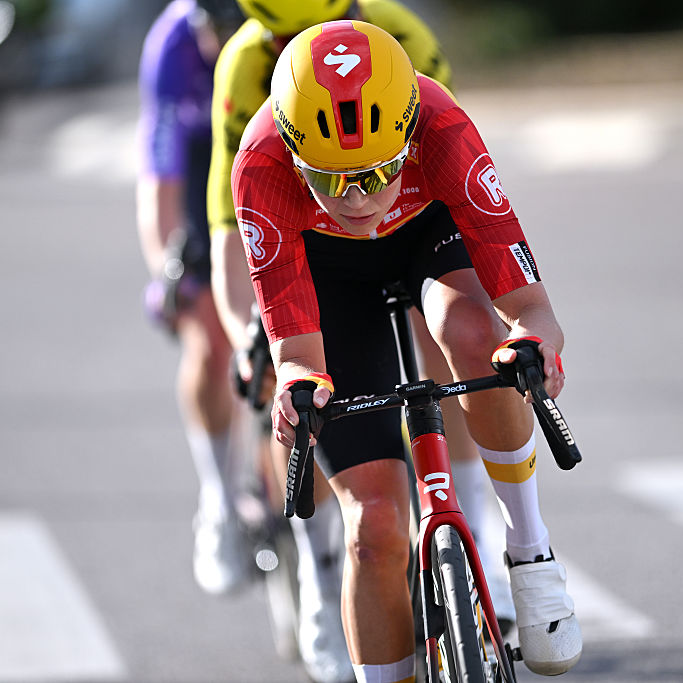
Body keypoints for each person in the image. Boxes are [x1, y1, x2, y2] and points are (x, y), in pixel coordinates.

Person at [229, 19, 583, 681]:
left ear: (409, 132)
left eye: (377, 172)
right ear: (294, 154)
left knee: (480, 337)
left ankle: (531, 551)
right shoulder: (261, 162)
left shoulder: (443, 127)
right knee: (376, 528)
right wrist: (297, 387)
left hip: (427, 238)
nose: (358, 197)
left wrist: (535, 345)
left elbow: (531, 309)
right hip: (325, 273)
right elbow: (300, 353)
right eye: (330, 179)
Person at [136, 0, 248, 598]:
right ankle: (220, 499)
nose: (217, 41)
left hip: (269, 160)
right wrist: (168, 272)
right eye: (211, 27)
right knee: (208, 343)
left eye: (230, 28)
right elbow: (160, 178)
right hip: (203, 163)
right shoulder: (170, 47)